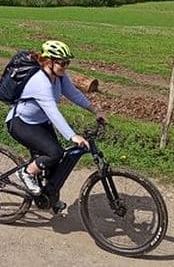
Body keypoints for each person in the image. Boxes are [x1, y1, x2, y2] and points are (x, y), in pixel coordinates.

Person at [6, 40, 105, 202]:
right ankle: (25, 173)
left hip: (41, 123)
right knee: (54, 153)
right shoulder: (40, 82)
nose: (65, 67)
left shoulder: (59, 76)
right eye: (62, 63)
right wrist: (72, 136)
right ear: (49, 61)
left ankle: (47, 196)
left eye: (68, 63)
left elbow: (74, 94)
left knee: (55, 159)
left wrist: (95, 110)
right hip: (21, 123)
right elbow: (53, 112)